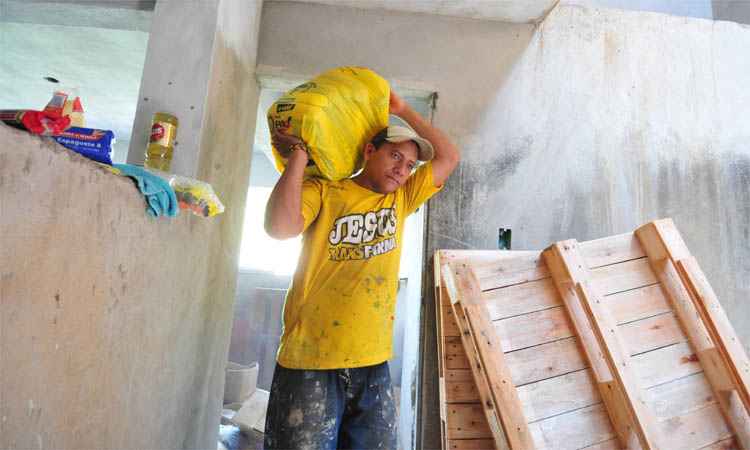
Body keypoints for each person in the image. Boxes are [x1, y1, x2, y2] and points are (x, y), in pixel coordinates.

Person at [263, 91, 460, 450]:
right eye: (395, 155)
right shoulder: (325, 190)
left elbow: (449, 155)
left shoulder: (400, 199)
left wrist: (402, 111)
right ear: (370, 151)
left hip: (373, 362)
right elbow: (279, 227)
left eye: (410, 165)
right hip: (311, 359)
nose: (402, 169)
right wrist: (298, 158)